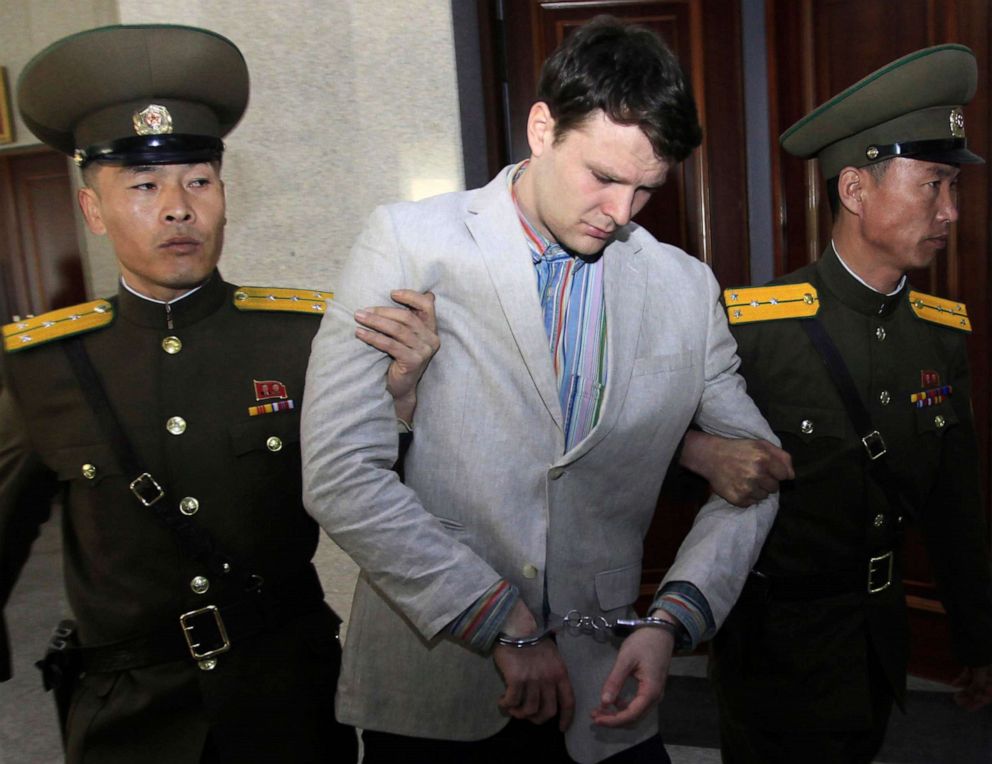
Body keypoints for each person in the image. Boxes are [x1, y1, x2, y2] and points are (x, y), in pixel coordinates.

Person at [301, 16, 781, 764]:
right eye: (603, 176)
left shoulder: (684, 288)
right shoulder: (409, 242)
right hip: (439, 682)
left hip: (607, 690)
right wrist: (502, 620)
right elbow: (338, 471)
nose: (620, 215)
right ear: (541, 128)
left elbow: (758, 470)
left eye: (646, 190)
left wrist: (672, 620)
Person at [0, 24, 439, 763]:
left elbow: (383, 504)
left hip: (285, 703)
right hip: (128, 723)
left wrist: (402, 405)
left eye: (198, 181)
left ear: (225, 197)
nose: (178, 208)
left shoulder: (303, 338)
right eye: (143, 186)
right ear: (93, 212)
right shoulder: (43, 365)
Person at [682, 44, 992, 763]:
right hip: (774, 653)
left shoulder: (940, 335)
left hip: (877, 643)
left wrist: (976, 637)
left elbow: (956, 503)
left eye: (955, 188)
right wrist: (701, 454)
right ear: (855, 189)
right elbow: (652, 456)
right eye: (933, 184)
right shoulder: (755, 327)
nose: (950, 211)